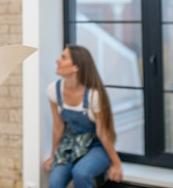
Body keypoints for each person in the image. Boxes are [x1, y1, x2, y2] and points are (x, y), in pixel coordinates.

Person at [44, 44, 123, 188]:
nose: (57, 61)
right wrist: (53, 154)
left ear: (76, 67)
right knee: (55, 182)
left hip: (96, 146)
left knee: (81, 173)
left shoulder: (93, 96)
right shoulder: (53, 90)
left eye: (63, 58)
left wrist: (117, 164)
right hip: (69, 145)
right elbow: (58, 125)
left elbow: (103, 133)